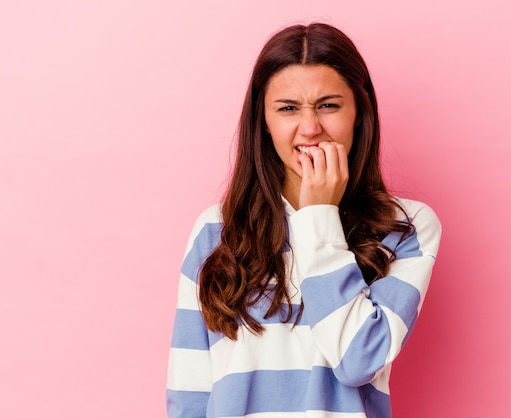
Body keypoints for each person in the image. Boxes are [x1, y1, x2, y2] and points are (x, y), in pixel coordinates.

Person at [166, 22, 442, 418]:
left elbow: (358, 361)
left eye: (328, 105)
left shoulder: (408, 228)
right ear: (263, 119)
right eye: (288, 108)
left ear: (359, 112)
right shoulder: (216, 230)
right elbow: (189, 389)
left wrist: (319, 216)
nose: (310, 128)